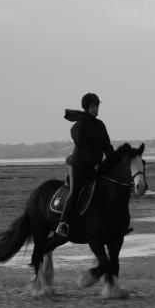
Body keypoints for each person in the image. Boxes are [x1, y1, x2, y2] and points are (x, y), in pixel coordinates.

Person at [56, 92, 115, 238]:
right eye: (93, 106)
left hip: (96, 166)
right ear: (86, 107)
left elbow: (107, 146)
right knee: (74, 193)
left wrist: (113, 161)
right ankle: (62, 223)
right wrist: (95, 164)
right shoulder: (79, 125)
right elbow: (82, 148)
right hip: (79, 166)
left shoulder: (100, 125)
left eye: (97, 106)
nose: (96, 109)